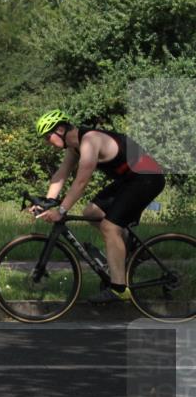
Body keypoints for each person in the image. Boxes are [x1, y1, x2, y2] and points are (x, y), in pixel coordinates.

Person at [33, 109, 165, 303]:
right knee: (92, 212)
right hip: (129, 180)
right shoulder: (73, 147)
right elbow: (61, 175)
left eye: (47, 137)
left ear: (60, 130)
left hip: (147, 178)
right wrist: (46, 203)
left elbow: (81, 182)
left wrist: (61, 211)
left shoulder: (90, 141)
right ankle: (132, 250)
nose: (47, 142)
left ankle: (119, 289)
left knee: (109, 227)